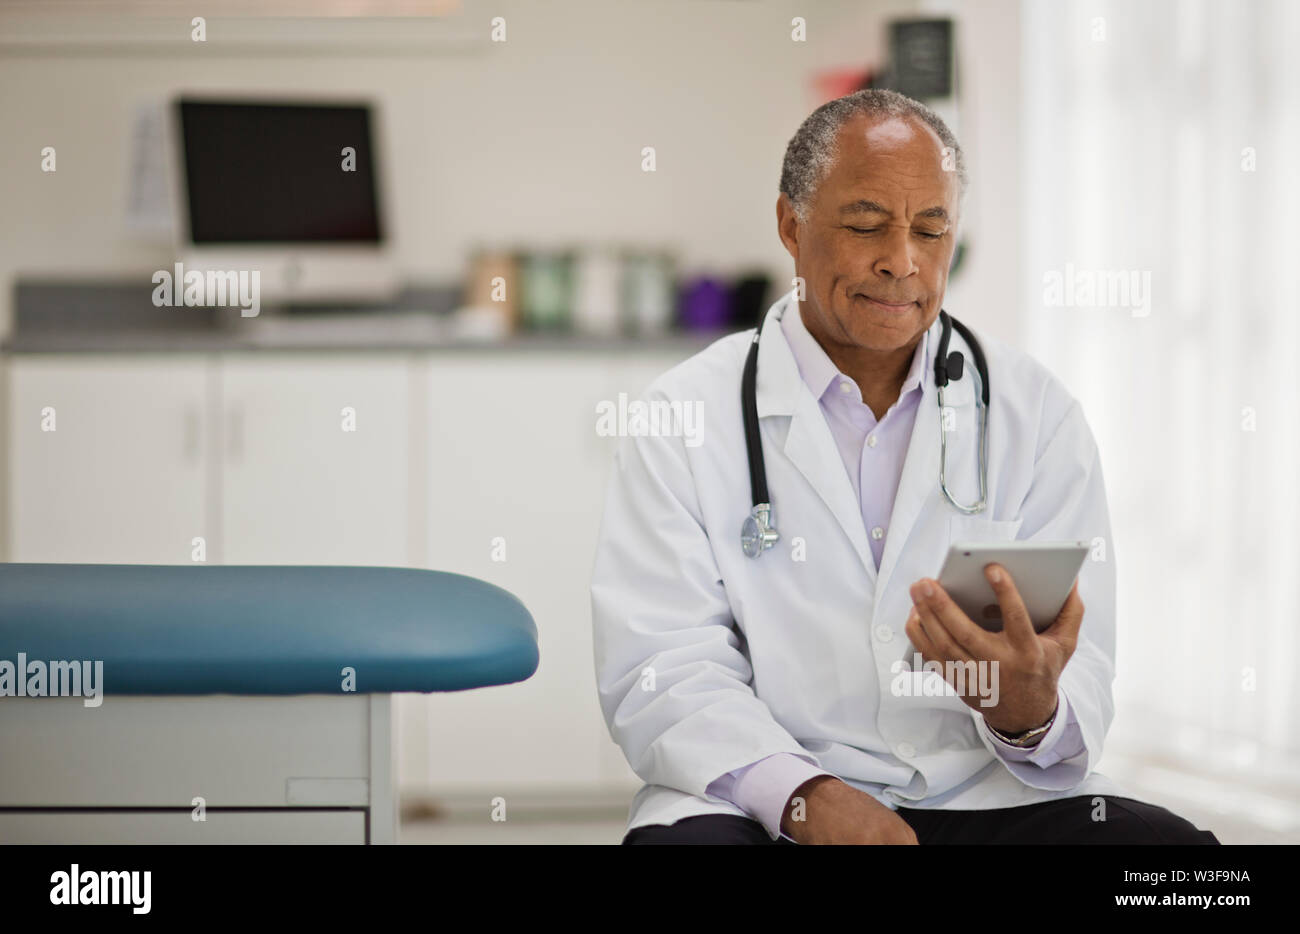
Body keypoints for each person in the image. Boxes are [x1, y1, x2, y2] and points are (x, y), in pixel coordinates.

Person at [591, 88, 1218, 845]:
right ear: (791, 225)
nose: (902, 262)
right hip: (765, 801)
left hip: (985, 795)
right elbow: (662, 667)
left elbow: (1079, 663)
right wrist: (804, 795)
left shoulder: (1036, 414)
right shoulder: (682, 416)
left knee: (1187, 874)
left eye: (931, 229)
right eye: (866, 226)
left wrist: (1027, 712)